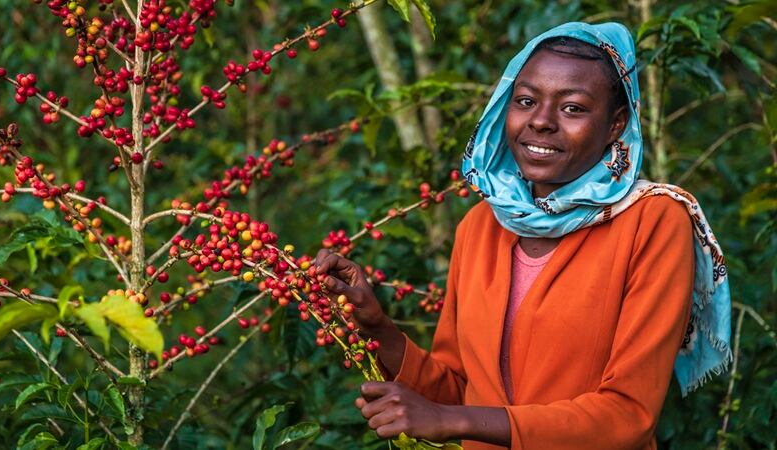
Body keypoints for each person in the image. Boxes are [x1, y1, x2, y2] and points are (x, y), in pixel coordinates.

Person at [313, 22, 731, 450]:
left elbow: (628, 415)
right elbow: (459, 391)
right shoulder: (480, 226)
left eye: (572, 108)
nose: (541, 122)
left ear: (615, 124)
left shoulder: (654, 220)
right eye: (526, 101)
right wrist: (379, 328)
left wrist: (451, 419)